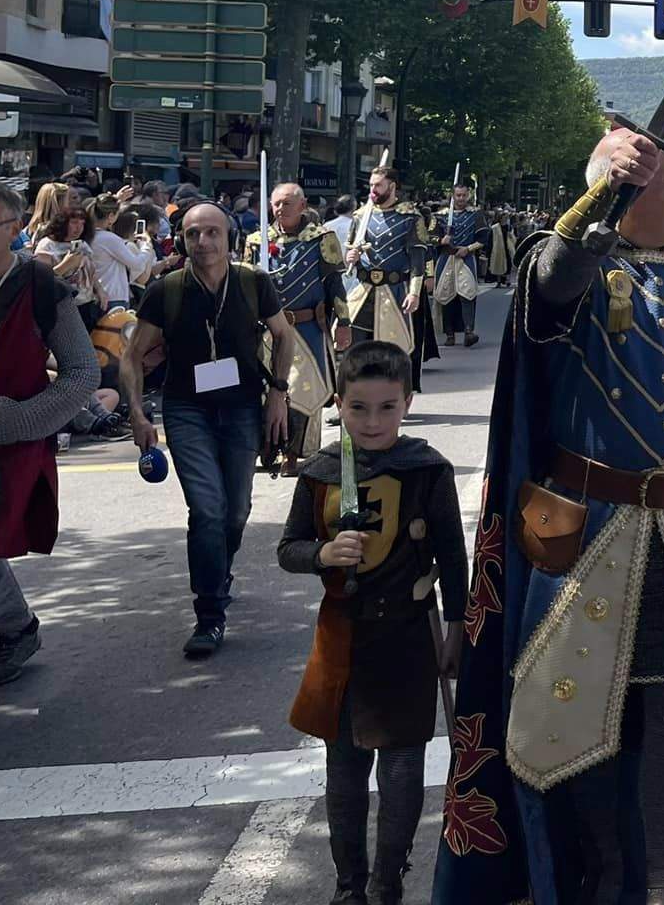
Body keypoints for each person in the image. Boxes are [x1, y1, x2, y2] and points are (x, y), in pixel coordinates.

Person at [432, 128, 664, 904]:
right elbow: (556, 278)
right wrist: (601, 193)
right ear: (624, 195)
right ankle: (601, 864)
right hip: (585, 526)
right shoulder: (570, 265)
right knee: (574, 706)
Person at [279, 340, 466, 905]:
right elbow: (288, 547)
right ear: (340, 403)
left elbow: (455, 558)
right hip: (343, 635)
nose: (373, 421)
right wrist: (322, 555)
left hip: (407, 636)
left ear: (407, 402)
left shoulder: (427, 470)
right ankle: (348, 886)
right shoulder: (320, 472)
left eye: (387, 407)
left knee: (405, 766)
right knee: (345, 767)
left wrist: (458, 629)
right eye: (359, 408)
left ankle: (387, 883)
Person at [0, 182, 99, 752]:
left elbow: (83, 374)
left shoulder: (39, 286)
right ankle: (20, 629)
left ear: (14, 228)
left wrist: (18, 420)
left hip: (10, 442)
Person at [123, 203, 294, 658]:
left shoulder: (254, 282)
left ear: (229, 237)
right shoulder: (166, 290)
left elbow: (284, 335)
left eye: (212, 232)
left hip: (241, 408)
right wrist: (138, 413)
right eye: (193, 233)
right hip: (186, 410)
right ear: (181, 239)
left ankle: (218, 570)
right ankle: (209, 614)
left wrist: (278, 392)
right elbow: (131, 354)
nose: (203, 242)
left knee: (235, 511)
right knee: (207, 510)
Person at [252, 182, 352, 467]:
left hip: (307, 328)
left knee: (302, 392)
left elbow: (335, 284)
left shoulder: (323, 238)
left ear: (302, 204)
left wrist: (343, 322)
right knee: (266, 389)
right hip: (269, 330)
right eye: (276, 204)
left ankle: (293, 453)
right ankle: (268, 449)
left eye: (286, 203)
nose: (280, 209)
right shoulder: (256, 239)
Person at [342, 168, 428, 391]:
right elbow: (350, 258)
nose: (372, 190)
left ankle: (393, 399)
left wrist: (414, 292)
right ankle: (352, 400)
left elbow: (418, 260)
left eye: (378, 185)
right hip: (362, 292)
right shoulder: (361, 216)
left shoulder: (410, 217)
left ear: (392, 187)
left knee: (393, 352)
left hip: (394, 292)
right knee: (353, 349)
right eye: (371, 185)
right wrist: (350, 256)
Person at [433, 183, 487, 348]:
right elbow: (429, 237)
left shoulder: (475, 214)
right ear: (453, 196)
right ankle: (449, 334)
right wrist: (441, 241)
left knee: (468, 294)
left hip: (466, 259)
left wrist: (468, 248)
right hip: (446, 258)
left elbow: (484, 239)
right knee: (446, 296)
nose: (461, 199)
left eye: (464, 195)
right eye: (458, 195)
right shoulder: (440, 215)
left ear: (468, 196)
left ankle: (469, 331)